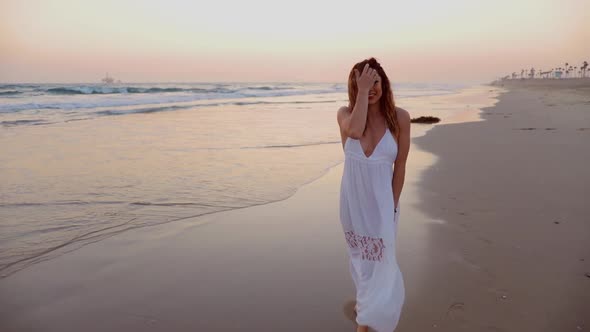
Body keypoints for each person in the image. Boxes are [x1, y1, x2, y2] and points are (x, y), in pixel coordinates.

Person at [337, 58, 410, 332]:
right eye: (363, 82)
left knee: (383, 264)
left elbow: (400, 165)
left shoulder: (399, 118)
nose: (370, 88)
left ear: (384, 83)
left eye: (375, 81)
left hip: (383, 205)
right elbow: (355, 130)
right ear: (354, 86)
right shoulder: (345, 114)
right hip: (353, 205)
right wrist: (362, 93)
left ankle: (368, 319)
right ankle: (365, 311)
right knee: (361, 264)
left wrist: (391, 208)